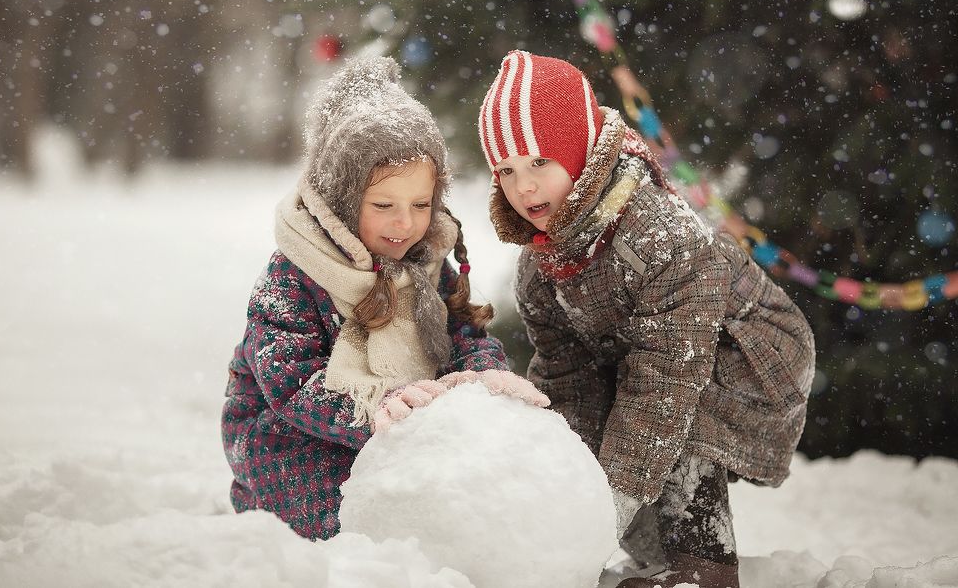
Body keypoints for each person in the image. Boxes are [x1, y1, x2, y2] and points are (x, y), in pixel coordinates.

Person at [477, 50, 816, 588]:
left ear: (580, 153)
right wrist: (563, 486)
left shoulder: (658, 236)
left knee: (671, 417)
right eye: (508, 171)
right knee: (621, 441)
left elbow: (667, 376)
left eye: (541, 162)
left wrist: (613, 499)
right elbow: (568, 378)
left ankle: (703, 567)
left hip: (753, 352)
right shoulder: (542, 267)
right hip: (653, 359)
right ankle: (655, 556)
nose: (524, 187)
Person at [222, 56, 549, 541]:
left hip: (401, 423)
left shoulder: (427, 259)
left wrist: (483, 373)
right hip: (293, 437)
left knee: (458, 499)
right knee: (354, 519)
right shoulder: (294, 272)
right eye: (383, 206)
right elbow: (289, 382)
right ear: (341, 198)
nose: (405, 224)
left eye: (420, 205)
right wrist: (370, 408)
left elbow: (461, 331)